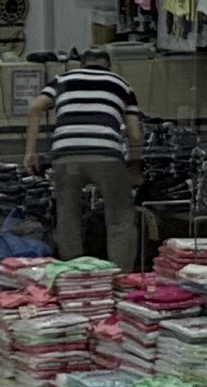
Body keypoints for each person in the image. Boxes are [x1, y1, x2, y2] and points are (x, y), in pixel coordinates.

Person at [44, 55, 144, 269]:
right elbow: (135, 134)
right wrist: (135, 169)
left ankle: (72, 276)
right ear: (108, 65)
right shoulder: (121, 84)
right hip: (106, 156)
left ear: (81, 64)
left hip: (66, 155)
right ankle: (119, 277)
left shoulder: (62, 79)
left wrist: (30, 151)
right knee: (120, 219)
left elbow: (36, 106)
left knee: (67, 218)